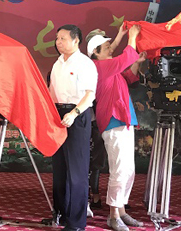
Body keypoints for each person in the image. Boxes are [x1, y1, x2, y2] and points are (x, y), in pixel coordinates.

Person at [87, 25, 145, 231]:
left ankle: (121, 211)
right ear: (96, 52)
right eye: (106, 47)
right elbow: (125, 57)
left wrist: (135, 62)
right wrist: (132, 37)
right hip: (113, 120)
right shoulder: (98, 67)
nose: (111, 49)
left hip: (124, 119)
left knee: (128, 169)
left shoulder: (110, 67)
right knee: (119, 169)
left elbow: (130, 76)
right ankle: (113, 215)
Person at [48, 24, 98, 231]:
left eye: (63, 39)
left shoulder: (85, 63)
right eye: (57, 39)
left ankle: (76, 222)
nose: (58, 42)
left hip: (77, 116)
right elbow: (51, 92)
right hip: (58, 115)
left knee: (77, 171)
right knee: (59, 168)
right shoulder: (57, 63)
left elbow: (89, 94)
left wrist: (74, 113)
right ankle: (60, 213)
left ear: (76, 40)